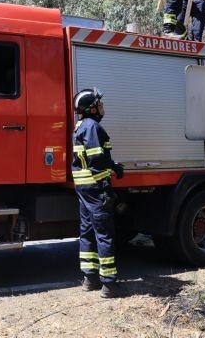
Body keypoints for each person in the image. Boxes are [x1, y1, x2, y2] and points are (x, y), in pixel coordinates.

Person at [72, 88, 124, 298]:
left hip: (84, 189)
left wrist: (112, 166)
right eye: (99, 104)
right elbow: (96, 160)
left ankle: (89, 279)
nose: (102, 106)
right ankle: (109, 285)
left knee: (87, 233)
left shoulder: (80, 126)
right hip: (95, 189)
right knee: (104, 235)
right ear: (91, 108)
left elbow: (88, 160)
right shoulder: (92, 127)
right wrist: (111, 174)